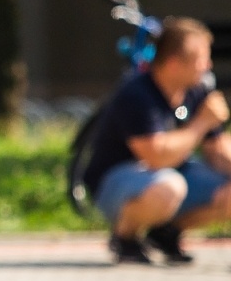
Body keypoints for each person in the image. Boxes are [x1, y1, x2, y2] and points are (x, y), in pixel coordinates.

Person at [80, 16, 230, 264]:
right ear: (173, 64)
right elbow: (155, 156)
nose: (208, 66)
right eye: (200, 59)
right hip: (118, 182)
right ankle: (125, 238)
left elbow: (218, 150)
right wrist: (201, 124)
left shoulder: (197, 91)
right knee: (169, 188)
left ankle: (165, 233)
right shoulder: (138, 94)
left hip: (171, 178)